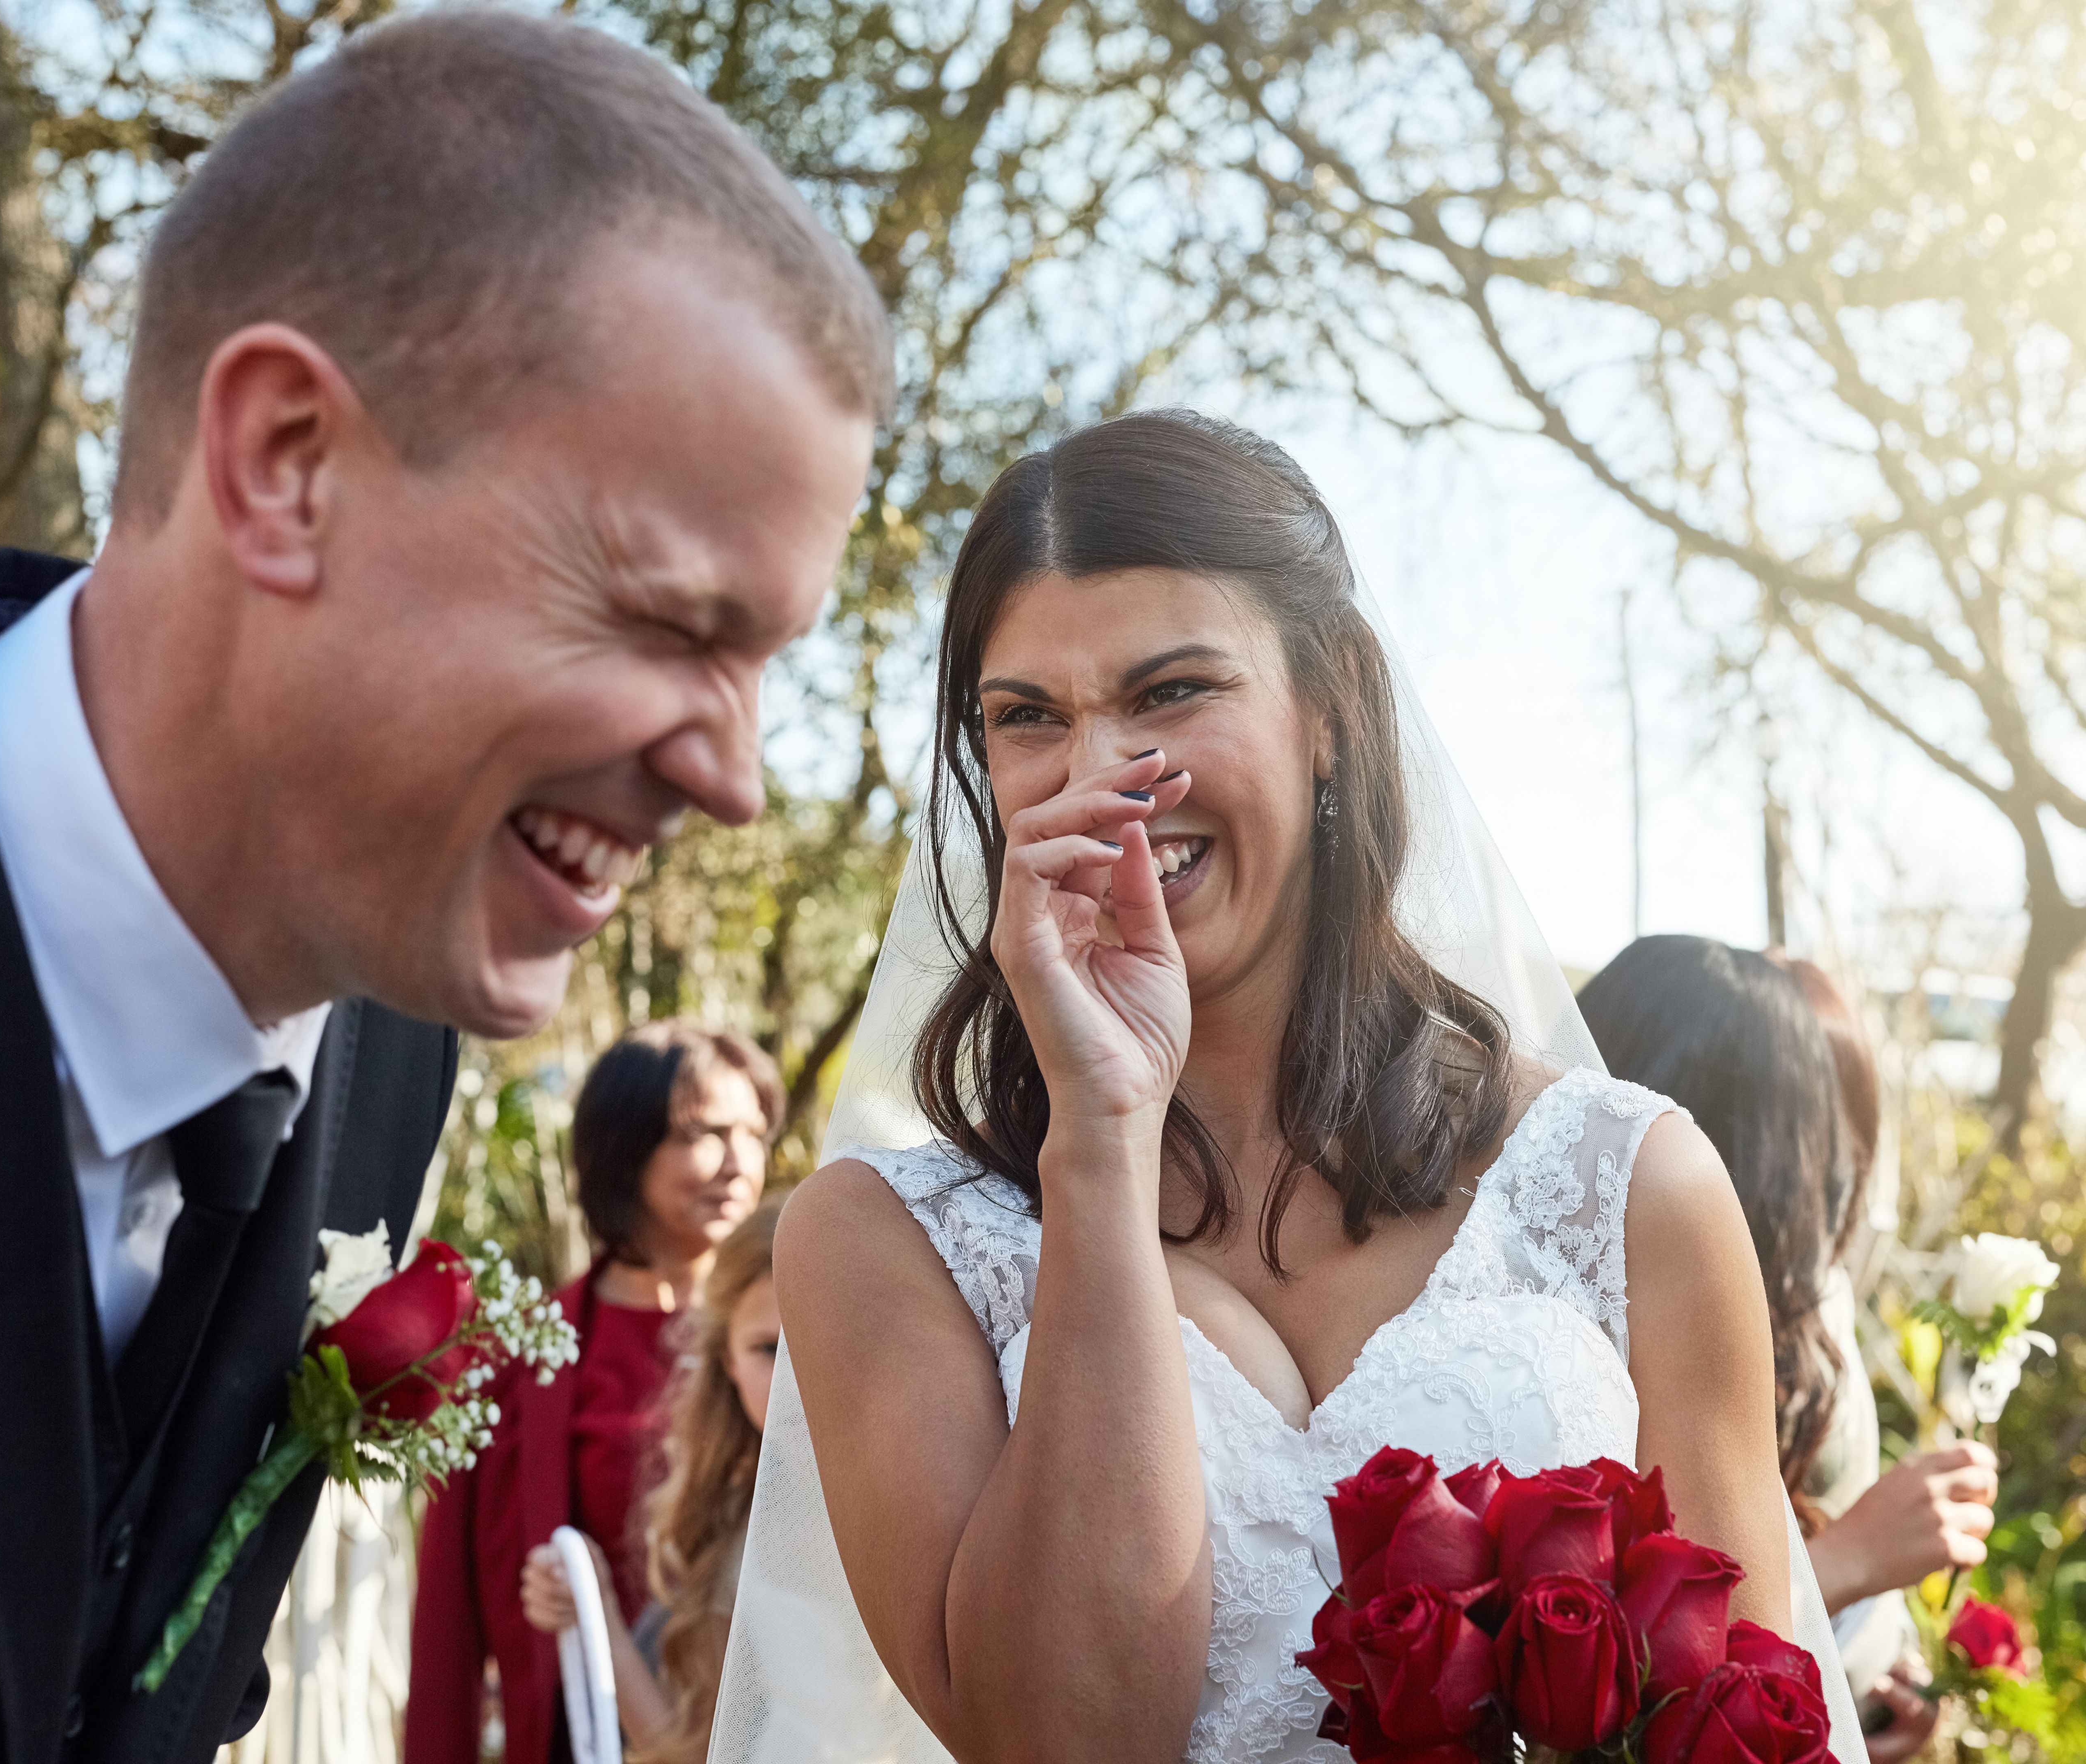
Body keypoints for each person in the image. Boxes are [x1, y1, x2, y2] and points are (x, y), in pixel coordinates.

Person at [0, 10, 887, 1760]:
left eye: (766, 666)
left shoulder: (391, 1040)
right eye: (670, 622)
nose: (736, 782)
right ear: (287, 462)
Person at [720, 411, 1870, 1763]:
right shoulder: (881, 1244)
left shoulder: (1630, 1185)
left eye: (1171, 692)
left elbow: (1747, 1726)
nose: (1101, 779)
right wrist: (1101, 1138)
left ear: (1332, 711)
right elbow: (1066, 1748)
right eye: (1027, 718)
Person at [1579, 938, 1999, 1763]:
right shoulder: (1558, 1368)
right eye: (1816, 1149)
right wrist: (1850, 1559)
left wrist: (1852, 1710)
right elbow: (1623, 1676)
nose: (1832, 1188)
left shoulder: (1804, 1330)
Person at [409, 1024, 781, 1764]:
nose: (740, 1162)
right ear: (625, 1147)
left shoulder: (803, 1337)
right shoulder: (513, 1357)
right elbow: (447, 1620)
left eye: (754, 1133)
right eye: (702, 1134)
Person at [513, 1195, 787, 1764]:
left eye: (820, 1344)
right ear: (728, 1360)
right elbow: (687, 1751)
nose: (795, 1377)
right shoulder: (731, 1521)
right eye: (769, 1349)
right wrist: (592, 1611)